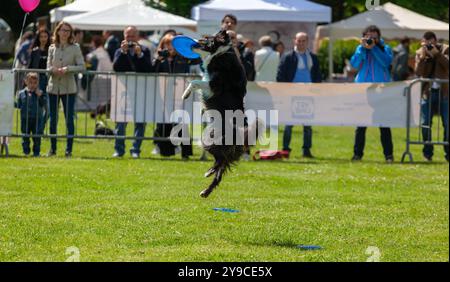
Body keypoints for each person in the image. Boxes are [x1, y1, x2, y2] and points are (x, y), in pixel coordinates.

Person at [350, 25, 394, 163]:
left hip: (381, 89)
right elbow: (354, 64)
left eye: (374, 37)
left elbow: (386, 62)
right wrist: (363, 49)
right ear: (364, 37)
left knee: (384, 124)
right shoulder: (361, 48)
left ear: (379, 37)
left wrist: (374, 48)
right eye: (369, 37)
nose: (371, 40)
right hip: (363, 90)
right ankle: (357, 154)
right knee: (361, 125)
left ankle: (388, 155)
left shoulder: (385, 48)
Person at [277, 32, 322, 158]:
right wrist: (285, 91)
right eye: (299, 40)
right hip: (291, 94)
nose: (301, 43)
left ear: (307, 42)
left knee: (307, 124)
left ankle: (306, 150)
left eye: (303, 41)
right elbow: (280, 75)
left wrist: (317, 89)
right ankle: (286, 149)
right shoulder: (287, 57)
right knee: (289, 123)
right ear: (294, 41)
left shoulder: (313, 57)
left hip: (309, 94)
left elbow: (318, 75)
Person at [112, 26, 153, 158]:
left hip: (141, 91)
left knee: (140, 122)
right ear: (124, 37)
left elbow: (147, 69)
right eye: (127, 36)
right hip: (123, 91)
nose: (130, 39)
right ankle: (119, 150)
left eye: (132, 36)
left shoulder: (144, 50)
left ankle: (136, 149)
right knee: (120, 122)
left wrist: (139, 55)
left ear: (137, 37)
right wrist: (124, 53)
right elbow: (117, 68)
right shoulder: (119, 51)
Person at [46, 21, 86, 158]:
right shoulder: (52, 47)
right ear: (57, 31)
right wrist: (52, 70)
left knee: (69, 119)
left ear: (70, 33)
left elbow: (82, 66)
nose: (65, 33)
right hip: (53, 87)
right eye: (63, 30)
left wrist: (68, 69)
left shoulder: (75, 48)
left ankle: (69, 149)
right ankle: (52, 149)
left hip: (69, 88)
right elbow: (47, 68)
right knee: (52, 119)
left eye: (68, 31)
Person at [152, 33, 194, 161]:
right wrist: (159, 59)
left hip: (179, 93)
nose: (169, 47)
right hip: (163, 94)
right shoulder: (159, 59)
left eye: (172, 44)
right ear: (162, 45)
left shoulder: (182, 57)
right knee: (163, 122)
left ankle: (186, 152)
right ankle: (163, 148)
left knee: (181, 121)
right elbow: (152, 70)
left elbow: (195, 62)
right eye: (167, 44)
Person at [415, 31, 449, 162]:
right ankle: (427, 153)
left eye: (431, 43)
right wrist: (424, 57)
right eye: (426, 44)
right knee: (425, 124)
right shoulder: (420, 52)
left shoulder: (446, 49)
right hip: (427, 93)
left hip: (445, 92)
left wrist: (436, 54)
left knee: (447, 124)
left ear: (436, 41)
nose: (429, 46)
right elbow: (418, 72)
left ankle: (448, 153)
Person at [15, 72, 46, 157]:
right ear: (26, 82)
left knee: (37, 136)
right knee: (25, 136)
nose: (33, 85)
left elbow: (43, 103)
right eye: (30, 82)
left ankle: (36, 152)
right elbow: (18, 105)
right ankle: (26, 151)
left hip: (37, 118)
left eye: (35, 83)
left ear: (37, 83)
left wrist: (40, 96)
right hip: (25, 118)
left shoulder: (40, 93)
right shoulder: (22, 93)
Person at [28, 29, 51, 132]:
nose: (43, 39)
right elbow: (30, 67)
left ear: (48, 38)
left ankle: (39, 130)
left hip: (49, 81)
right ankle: (38, 131)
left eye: (45, 36)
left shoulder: (52, 49)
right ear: (38, 38)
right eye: (41, 37)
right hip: (37, 81)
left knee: (49, 109)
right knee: (40, 108)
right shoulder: (34, 51)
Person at [221, 14, 255, 82]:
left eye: (232, 23)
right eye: (227, 22)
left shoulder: (244, 50)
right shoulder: (214, 46)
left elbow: (248, 71)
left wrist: (235, 49)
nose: (229, 24)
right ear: (222, 24)